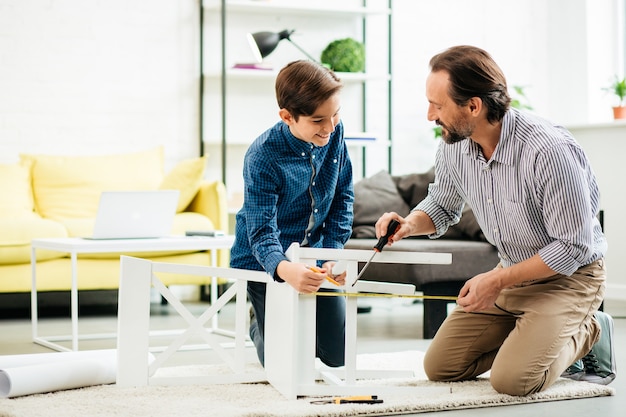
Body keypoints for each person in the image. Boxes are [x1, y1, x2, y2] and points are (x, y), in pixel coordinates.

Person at [374, 45, 616, 396]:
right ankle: (534, 336)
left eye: (438, 105)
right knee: (441, 367)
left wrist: (497, 280)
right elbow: (441, 204)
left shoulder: (548, 150)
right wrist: (409, 224)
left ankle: (588, 330)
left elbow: (573, 247)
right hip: (512, 275)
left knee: (513, 380)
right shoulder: (454, 145)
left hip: (569, 279)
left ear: (473, 106)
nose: (430, 115)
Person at [230, 60, 353, 367]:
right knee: (284, 364)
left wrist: (332, 254)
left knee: (337, 357)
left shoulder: (334, 134)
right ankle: (257, 323)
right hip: (265, 262)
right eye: (317, 120)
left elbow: (343, 199)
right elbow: (261, 233)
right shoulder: (262, 156)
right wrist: (285, 269)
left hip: (314, 257)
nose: (330, 127)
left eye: (336, 114)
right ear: (287, 116)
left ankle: (289, 318)